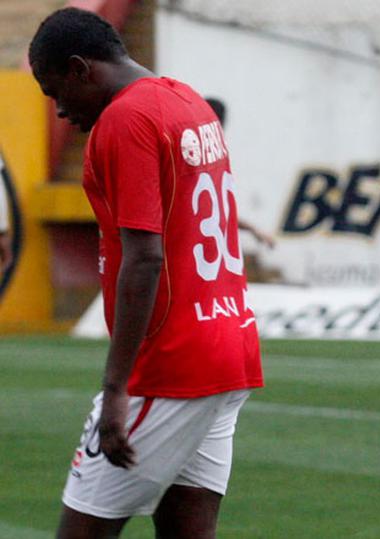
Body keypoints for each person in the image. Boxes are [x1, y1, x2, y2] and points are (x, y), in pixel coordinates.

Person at [30, 8, 263, 538]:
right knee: (188, 531)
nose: (60, 109)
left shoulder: (125, 120)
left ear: (80, 68)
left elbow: (145, 255)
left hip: (169, 363)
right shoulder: (187, 100)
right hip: (228, 345)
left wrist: (116, 388)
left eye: (55, 90)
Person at [203, 96, 276, 249]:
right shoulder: (202, 158)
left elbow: (215, 210)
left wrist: (253, 229)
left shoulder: (210, 156)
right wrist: (253, 229)